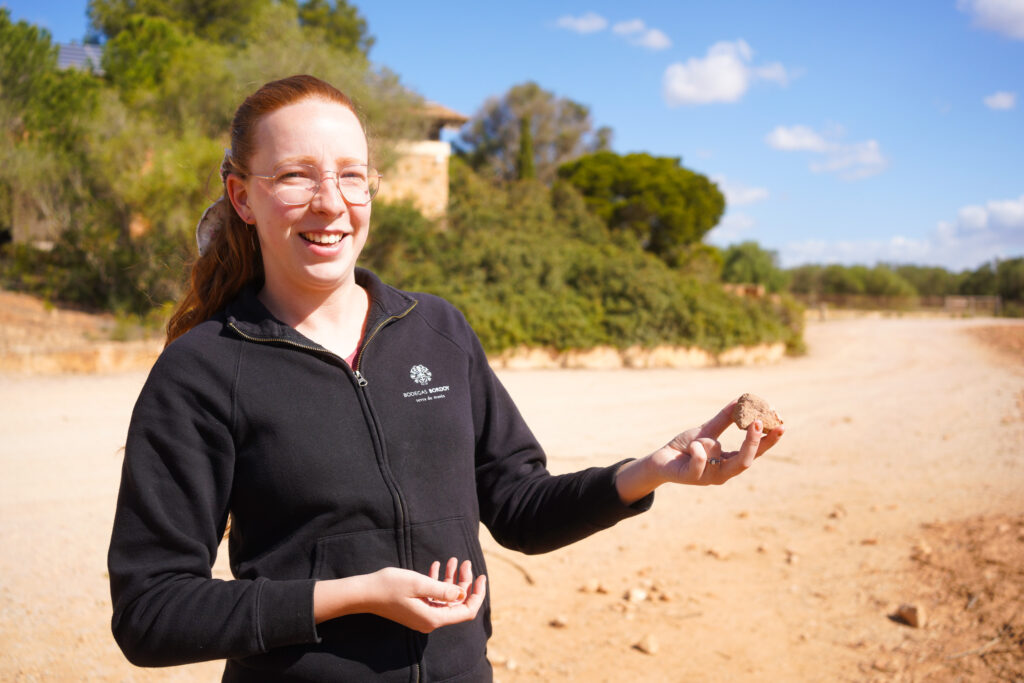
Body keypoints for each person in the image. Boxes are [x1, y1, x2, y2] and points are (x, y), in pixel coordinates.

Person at [107, 74, 785, 682]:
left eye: (351, 174)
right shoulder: (203, 367)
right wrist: (355, 593)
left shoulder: (437, 329)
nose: (330, 202)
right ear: (242, 196)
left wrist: (650, 471)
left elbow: (518, 505)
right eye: (294, 176)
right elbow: (151, 608)